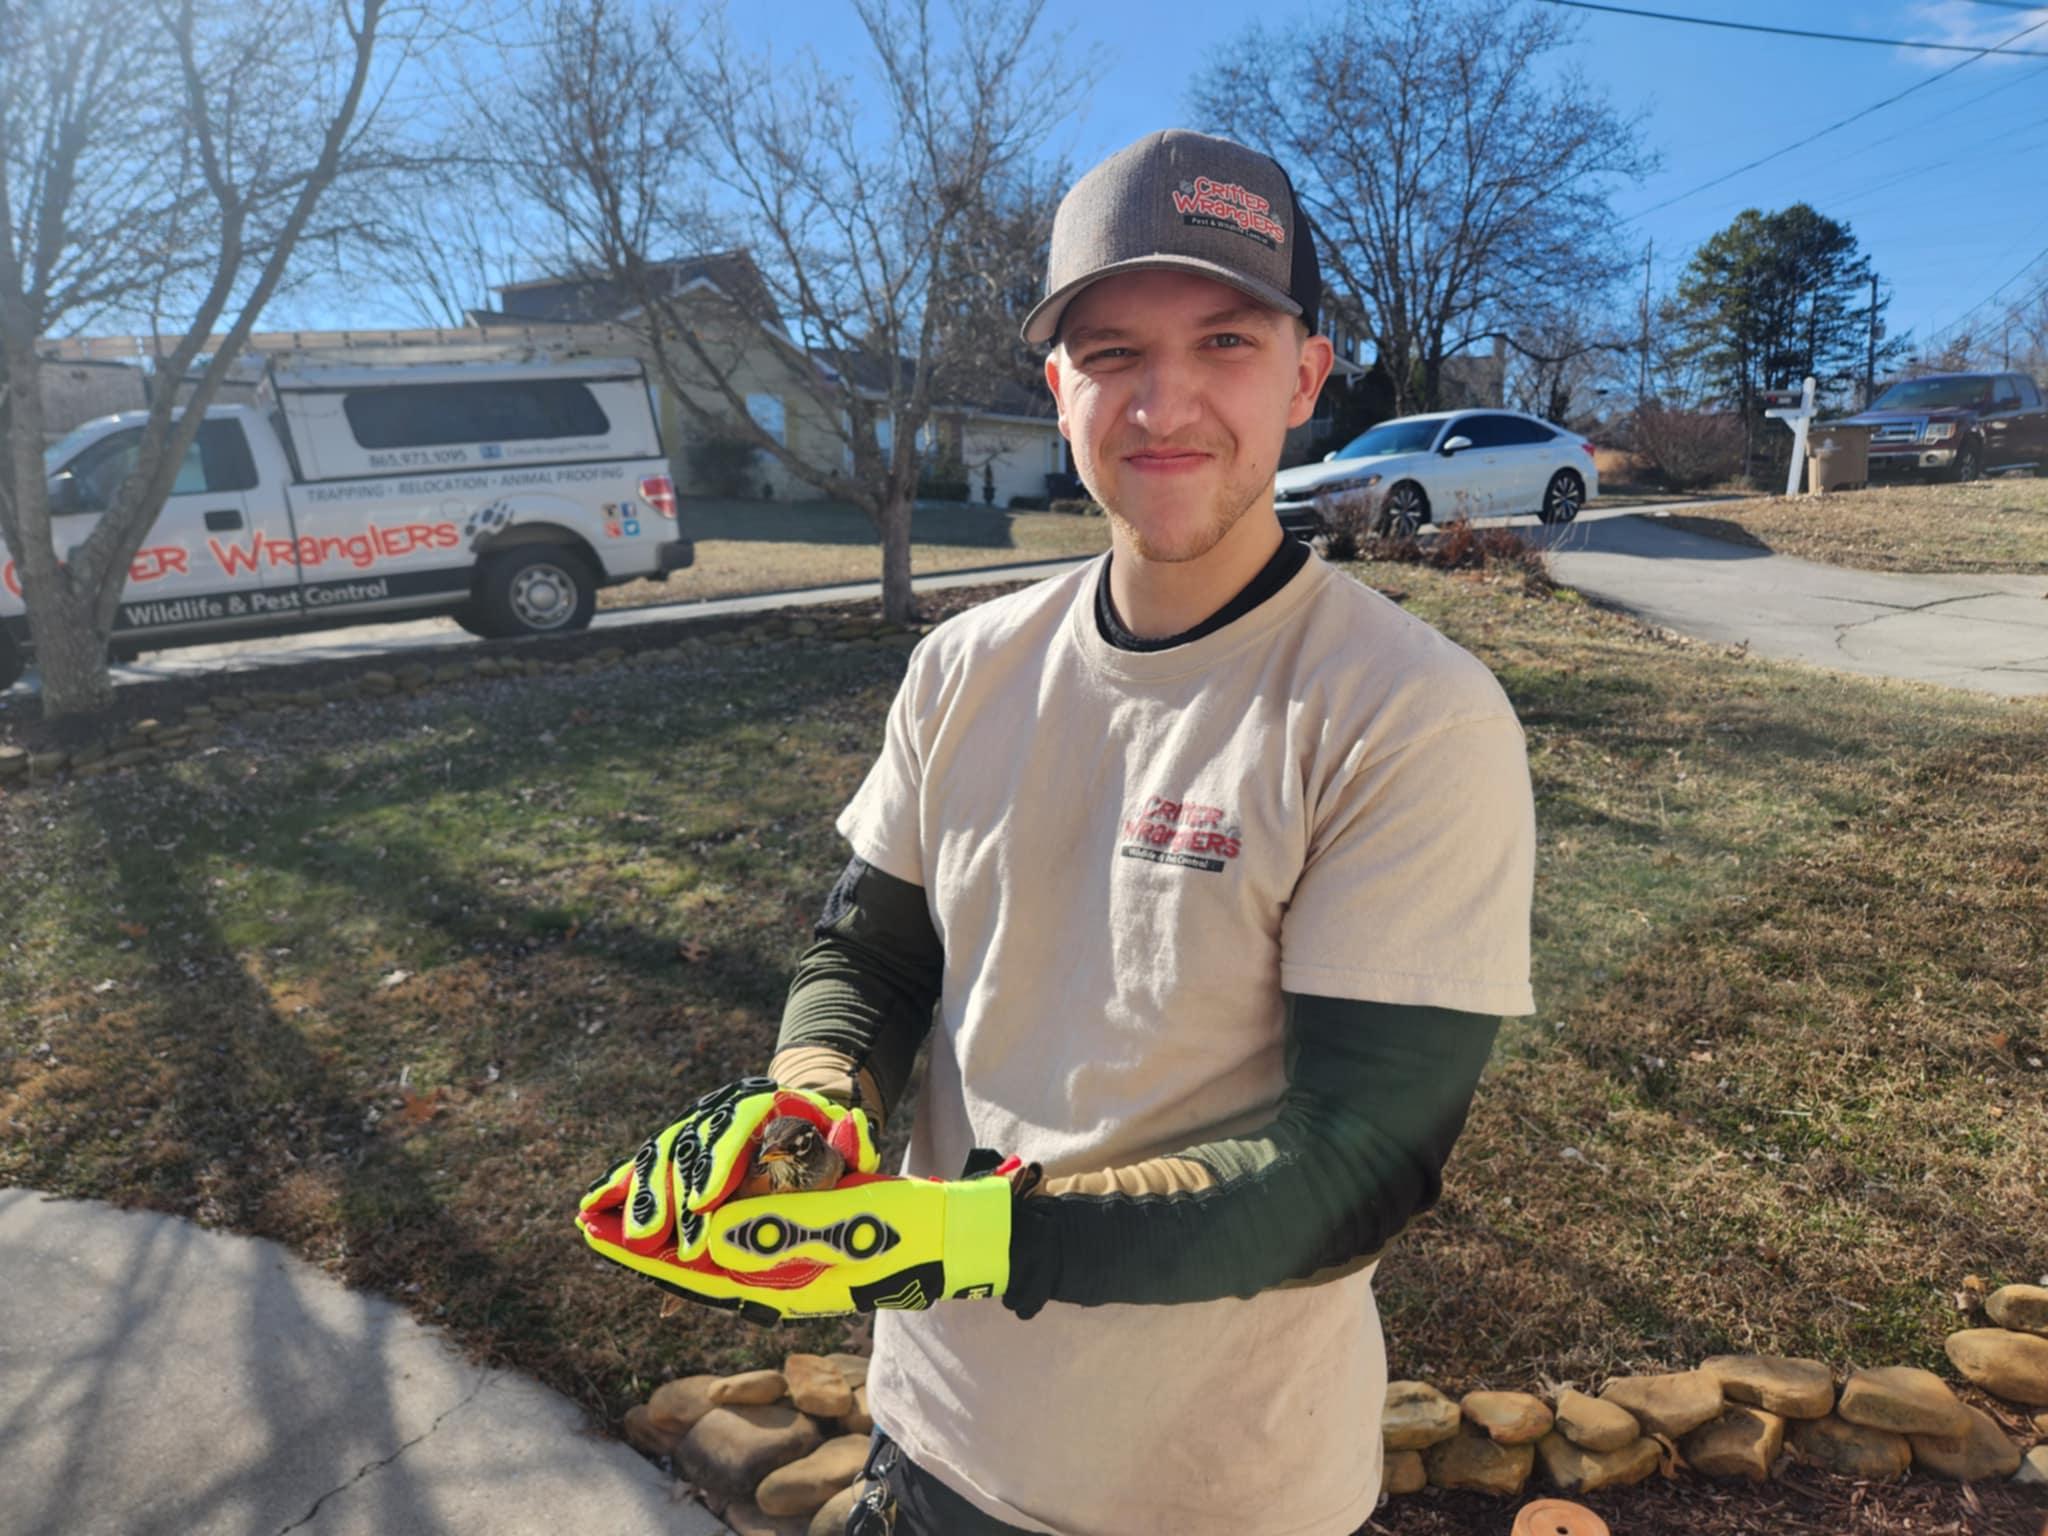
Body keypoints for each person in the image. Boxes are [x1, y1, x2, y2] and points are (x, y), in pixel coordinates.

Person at [582, 128, 1536, 1536]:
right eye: (1110, 354)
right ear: (1055, 389)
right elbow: (875, 955)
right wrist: (814, 1096)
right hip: (933, 1433)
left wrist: (971, 1235)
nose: (1165, 402)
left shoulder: (1407, 716)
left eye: (1223, 341)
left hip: (1215, 1494)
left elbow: (1354, 1164)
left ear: (1307, 378)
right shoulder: (965, 667)